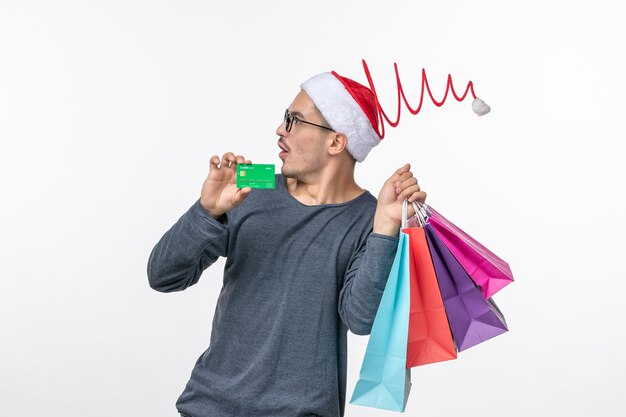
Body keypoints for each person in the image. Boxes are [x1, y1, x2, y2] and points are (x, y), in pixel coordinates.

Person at [147, 70, 426, 417]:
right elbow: (163, 276)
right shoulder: (254, 183)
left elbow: (361, 319)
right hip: (209, 407)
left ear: (336, 142)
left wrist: (385, 226)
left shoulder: (372, 216)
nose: (280, 130)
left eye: (294, 121)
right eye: (284, 119)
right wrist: (206, 212)